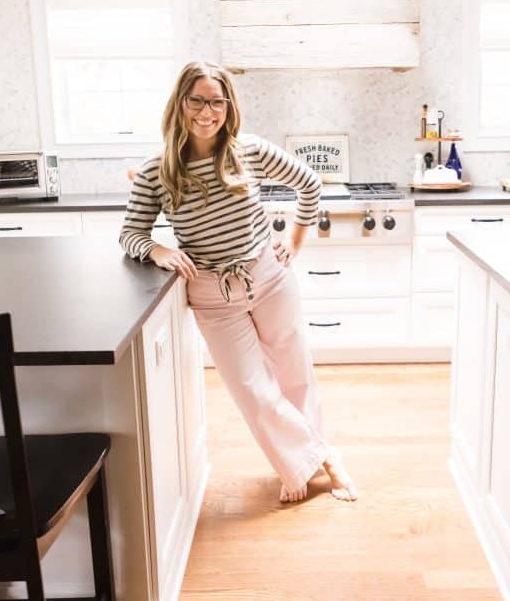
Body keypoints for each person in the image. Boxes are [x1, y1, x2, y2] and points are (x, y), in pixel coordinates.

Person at [119, 61, 357, 503]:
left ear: (228, 106)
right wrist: (159, 249)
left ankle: (308, 464)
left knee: (294, 373)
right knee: (252, 389)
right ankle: (317, 458)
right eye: (197, 100)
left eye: (217, 102)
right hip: (212, 293)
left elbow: (309, 183)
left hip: (269, 276)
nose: (207, 112)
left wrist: (296, 242)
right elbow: (130, 232)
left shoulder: (249, 150)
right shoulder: (156, 171)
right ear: (180, 103)